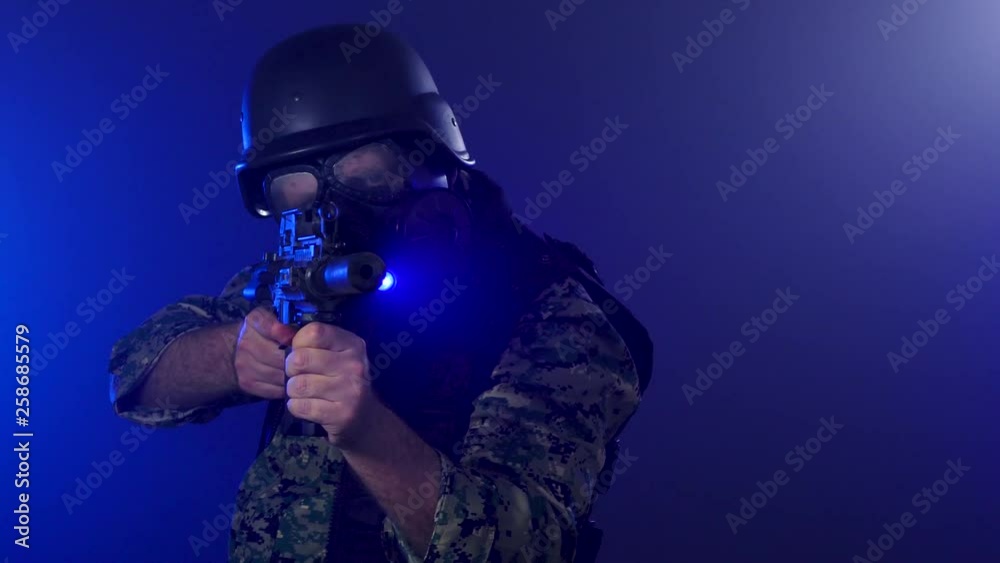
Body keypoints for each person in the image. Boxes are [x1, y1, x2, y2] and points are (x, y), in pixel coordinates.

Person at [108, 24, 653, 563]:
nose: (337, 218)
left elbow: (523, 550)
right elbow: (133, 376)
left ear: (433, 163)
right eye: (300, 194)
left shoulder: (552, 314)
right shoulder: (305, 275)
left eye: (367, 180)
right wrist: (233, 355)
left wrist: (366, 429)